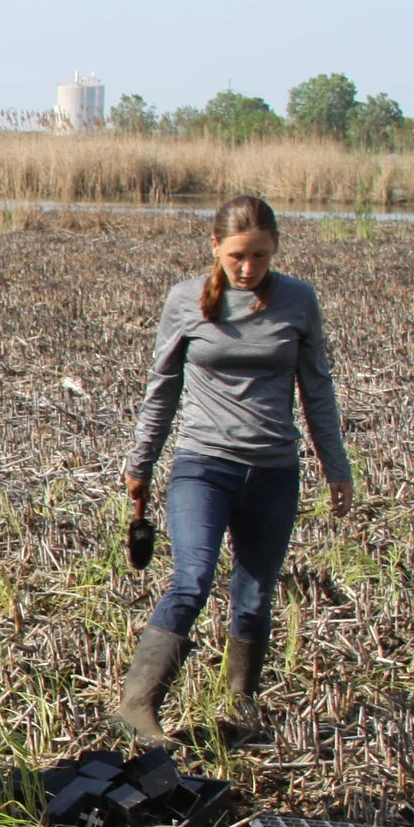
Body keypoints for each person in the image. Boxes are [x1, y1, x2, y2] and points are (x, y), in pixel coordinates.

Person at [117, 195, 352, 742]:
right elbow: (162, 389)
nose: (248, 269)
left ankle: (239, 706)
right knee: (192, 579)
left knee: (254, 594)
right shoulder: (185, 301)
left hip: (273, 470)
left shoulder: (298, 300)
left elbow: (316, 387)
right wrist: (141, 462)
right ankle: (137, 705)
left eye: (261, 257)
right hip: (204, 465)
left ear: (275, 250)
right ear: (215, 248)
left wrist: (335, 465)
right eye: (237, 257)